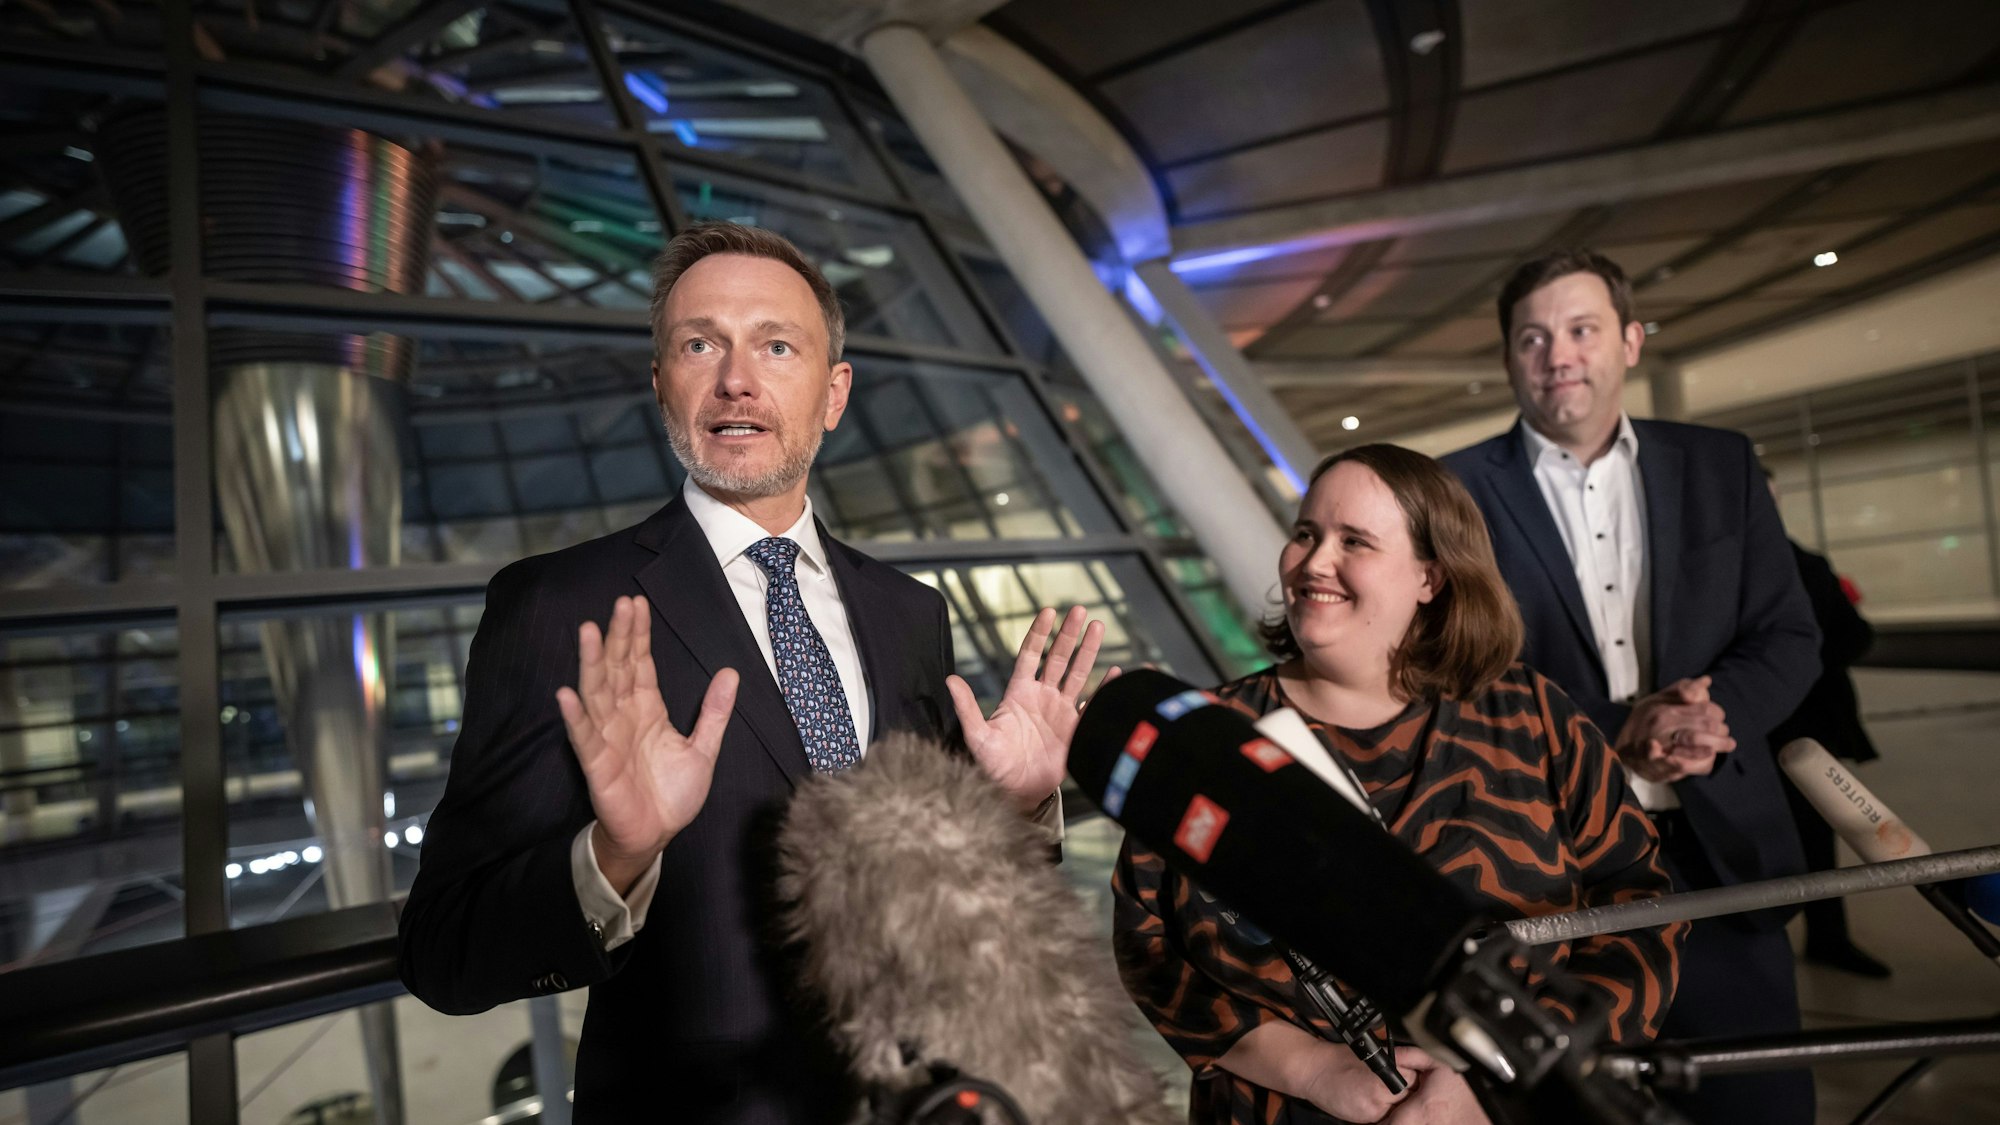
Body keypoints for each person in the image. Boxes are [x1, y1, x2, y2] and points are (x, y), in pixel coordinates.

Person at [398, 221, 1107, 1124]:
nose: (737, 379)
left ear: (834, 392)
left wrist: (1009, 816)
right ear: (662, 383)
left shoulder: (908, 611)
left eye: (777, 344)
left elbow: (950, 904)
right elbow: (441, 951)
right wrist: (616, 856)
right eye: (702, 344)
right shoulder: (557, 605)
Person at [1112, 444, 1684, 1125]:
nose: (1314, 561)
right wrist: (1316, 1069)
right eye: (1305, 533)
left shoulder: (1534, 716)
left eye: (1354, 540)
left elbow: (1641, 908)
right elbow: (1148, 943)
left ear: (1430, 577)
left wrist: (1499, 1081)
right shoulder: (1210, 739)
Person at [1440, 249, 1822, 1125]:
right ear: (1509, 357)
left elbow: (1790, 635)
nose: (1558, 354)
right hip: (1548, 862)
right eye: (1532, 337)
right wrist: (1621, 727)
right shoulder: (1456, 493)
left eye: (1582, 329)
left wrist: (1708, 717)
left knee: (1755, 1099)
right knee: (1577, 1106)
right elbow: (1458, 678)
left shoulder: (1720, 465)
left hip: (1720, 853)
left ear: (1632, 341)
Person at [1764, 469, 1889, 977]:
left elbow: (1855, 636)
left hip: (1805, 725)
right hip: (1757, 727)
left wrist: (1794, 663)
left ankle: (1827, 936)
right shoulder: (1729, 570)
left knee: (1816, 837)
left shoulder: (1803, 565)